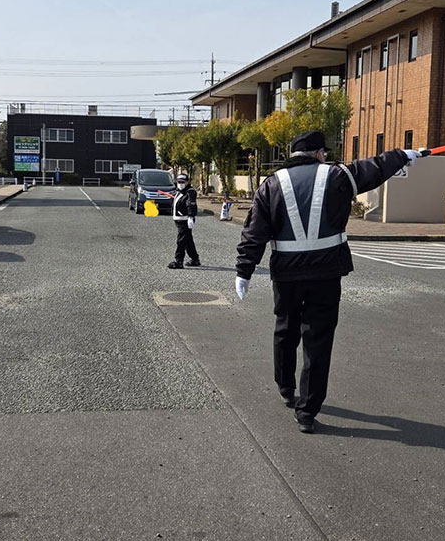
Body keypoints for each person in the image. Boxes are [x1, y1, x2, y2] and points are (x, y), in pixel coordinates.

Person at [235, 130, 423, 433]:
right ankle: (307, 412)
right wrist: (403, 155)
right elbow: (373, 168)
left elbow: (255, 231)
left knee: (285, 329)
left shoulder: (271, 184)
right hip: (326, 274)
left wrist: (244, 270)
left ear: (294, 154)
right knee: (318, 340)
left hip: (286, 274)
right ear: (319, 152)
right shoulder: (338, 175)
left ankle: (285, 387)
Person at [168, 172, 200, 269]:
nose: (180, 183)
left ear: (187, 182)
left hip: (185, 220)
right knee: (188, 241)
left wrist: (190, 216)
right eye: (179, 181)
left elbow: (191, 204)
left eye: (183, 181)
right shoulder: (180, 191)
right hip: (180, 219)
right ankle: (195, 259)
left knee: (181, 241)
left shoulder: (190, 192)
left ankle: (179, 261)